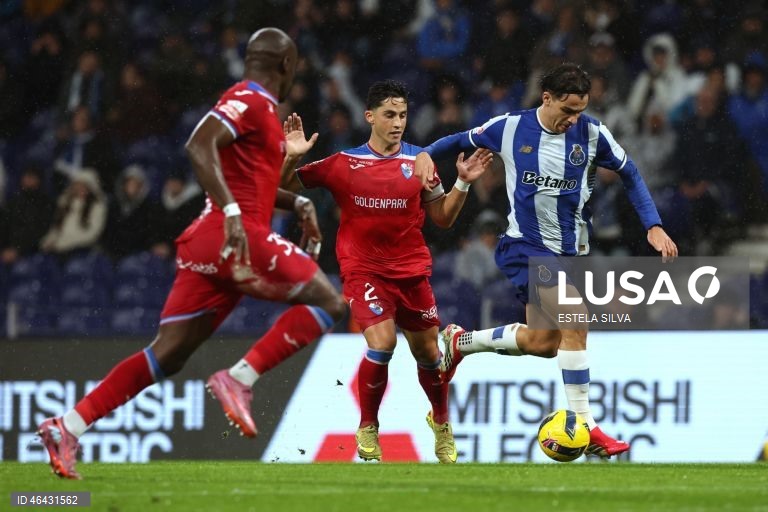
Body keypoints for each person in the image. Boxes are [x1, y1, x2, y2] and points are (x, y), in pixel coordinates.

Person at [37, 28, 346, 480]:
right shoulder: (252, 98)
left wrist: (295, 192)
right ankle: (239, 378)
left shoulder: (259, 109)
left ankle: (68, 425)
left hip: (208, 242)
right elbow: (199, 145)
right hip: (232, 234)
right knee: (329, 302)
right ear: (287, 65)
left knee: (168, 354)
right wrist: (235, 211)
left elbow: (253, 186)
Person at [415, 63, 678, 458]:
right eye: (567, 110)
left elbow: (631, 173)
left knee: (543, 345)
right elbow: (457, 139)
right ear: (547, 98)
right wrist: (423, 155)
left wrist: (652, 225)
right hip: (525, 247)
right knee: (576, 316)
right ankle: (587, 427)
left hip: (570, 253)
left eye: (580, 111)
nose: (573, 120)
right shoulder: (509, 128)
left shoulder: (592, 133)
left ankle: (460, 341)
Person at [281, 80, 492, 463]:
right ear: (370, 117)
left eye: (403, 115)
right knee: (382, 344)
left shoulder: (420, 162)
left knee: (429, 355)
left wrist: (462, 181)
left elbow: (442, 218)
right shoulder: (343, 164)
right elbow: (281, 189)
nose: (398, 123)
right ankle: (368, 426)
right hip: (364, 270)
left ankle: (441, 422)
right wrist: (292, 156)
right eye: (390, 115)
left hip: (411, 271)